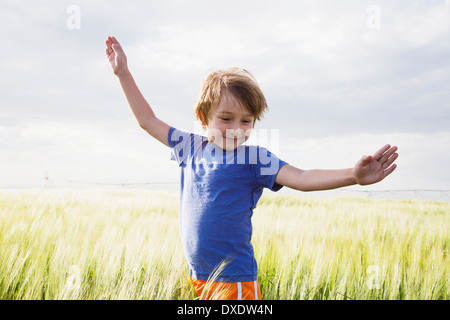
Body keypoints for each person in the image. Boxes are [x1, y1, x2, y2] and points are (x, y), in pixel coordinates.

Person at [105, 36, 398, 300]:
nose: (236, 129)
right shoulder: (190, 147)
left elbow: (302, 178)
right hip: (197, 277)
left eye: (246, 121)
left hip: (235, 282)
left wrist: (353, 175)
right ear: (203, 117)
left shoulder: (254, 158)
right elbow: (147, 120)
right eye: (226, 118)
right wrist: (123, 74)